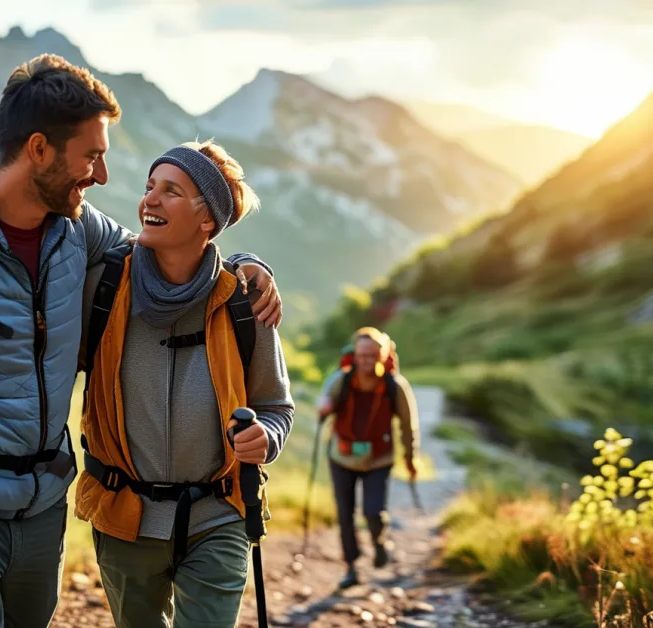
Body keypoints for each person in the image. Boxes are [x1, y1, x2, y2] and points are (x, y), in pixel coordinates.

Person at [0, 54, 282, 627]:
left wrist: (244, 266)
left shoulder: (78, 229)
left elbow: (166, 256)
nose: (102, 177)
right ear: (40, 150)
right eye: (92, 157)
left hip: (44, 510)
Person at [74, 139, 295, 628]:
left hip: (218, 517)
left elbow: (276, 406)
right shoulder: (104, 288)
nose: (149, 199)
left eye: (170, 191)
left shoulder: (243, 301)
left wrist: (267, 436)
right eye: (149, 186)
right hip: (125, 517)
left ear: (207, 219)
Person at [317, 327, 419, 589]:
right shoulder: (341, 380)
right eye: (362, 355)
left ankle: (379, 542)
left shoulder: (395, 386)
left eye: (372, 355)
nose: (367, 360)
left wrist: (410, 459)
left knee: (373, 512)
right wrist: (324, 409)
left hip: (379, 459)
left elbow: (408, 426)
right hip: (342, 457)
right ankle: (351, 567)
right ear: (355, 355)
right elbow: (324, 402)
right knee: (345, 515)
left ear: (382, 356)